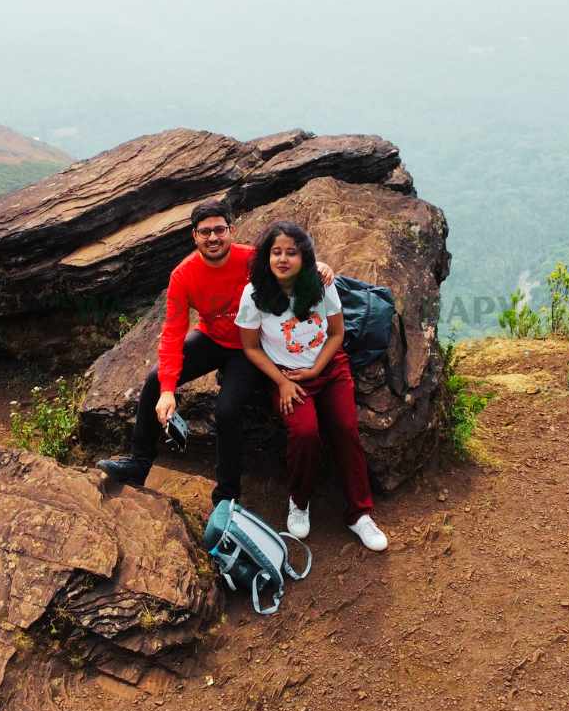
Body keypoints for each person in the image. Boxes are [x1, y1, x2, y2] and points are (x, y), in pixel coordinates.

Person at [97, 200, 333, 505]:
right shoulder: (183, 276)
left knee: (227, 410)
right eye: (205, 232)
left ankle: (227, 495)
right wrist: (169, 390)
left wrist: (320, 267)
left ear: (231, 231)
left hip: (249, 348)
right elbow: (172, 334)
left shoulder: (252, 259)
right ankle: (139, 464)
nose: (213, 238)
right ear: (194, 236)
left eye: (219, 229)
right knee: (156, 380)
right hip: (212, 339)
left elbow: (290, 263)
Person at [235, 221, 388, 552]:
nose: (283, 259)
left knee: (346, 429)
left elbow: (336, 333)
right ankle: (299, 500)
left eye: (292, 252)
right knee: (305, 433)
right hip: (287, 377)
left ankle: (360, 514)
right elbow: (250, 347)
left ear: (304, 257)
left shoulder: (319, 286)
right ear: (266, 257)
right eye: (276, 252)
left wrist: (318, 367)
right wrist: (281, 382)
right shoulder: (255, 294)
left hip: (330, 369)